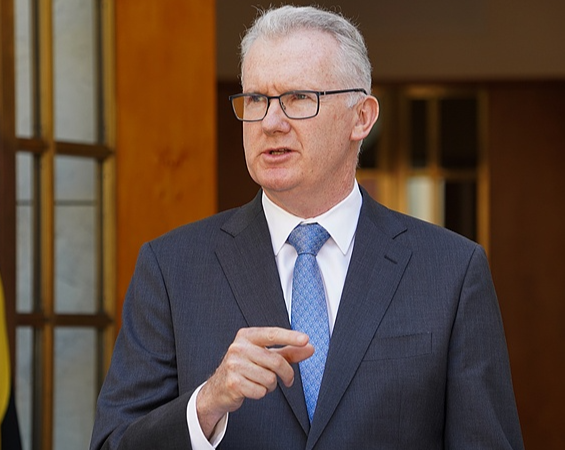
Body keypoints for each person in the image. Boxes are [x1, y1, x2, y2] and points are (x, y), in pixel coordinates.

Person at [90, 5, 524, 449]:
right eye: (256, 99)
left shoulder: (451, 271)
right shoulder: (172, 268)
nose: (270, 123)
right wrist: (205, 405)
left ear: (362, 117)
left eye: (298, 98)